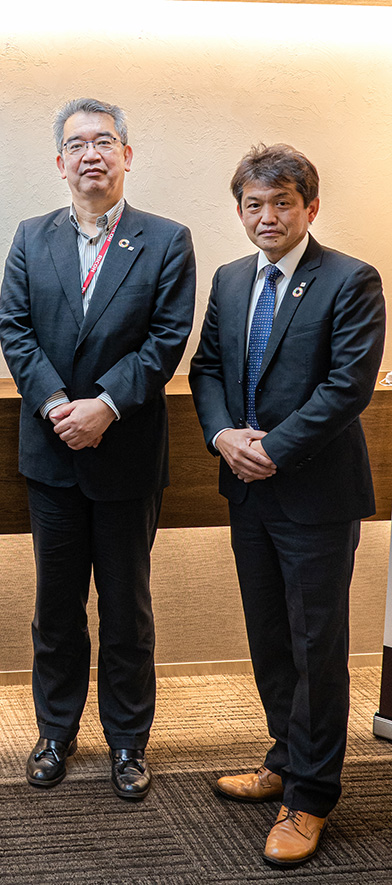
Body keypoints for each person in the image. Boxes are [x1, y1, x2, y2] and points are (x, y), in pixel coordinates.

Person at [189, 143, 384, 867]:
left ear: (310, 207)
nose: (266, 216)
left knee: (315, 648)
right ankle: (285, 756)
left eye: (282, 202)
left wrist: (272, 448)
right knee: (270, 636)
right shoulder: (231, 278)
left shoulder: (351, 280)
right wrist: (222, 436)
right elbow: (208, 368)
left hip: (314, 494)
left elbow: (347, 386)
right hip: (246, 489)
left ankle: (310, 796)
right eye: (254, 204)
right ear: (240, 211)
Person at [0, 98, 196, 800]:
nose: (92, 154)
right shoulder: (31, 236)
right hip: (52, 452)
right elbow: (14, 329)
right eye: (78, 144)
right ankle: (55, 732)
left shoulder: (166, 239)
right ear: (60, 162)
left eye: (105, 141)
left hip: (126, 452)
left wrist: (105, 406)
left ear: (126, 156)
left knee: (126, 611)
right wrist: (59, 406)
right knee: (56, 608)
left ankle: (128, 741)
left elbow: (166, 340)